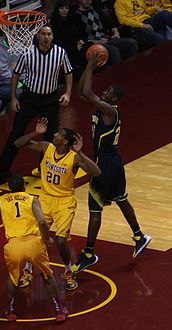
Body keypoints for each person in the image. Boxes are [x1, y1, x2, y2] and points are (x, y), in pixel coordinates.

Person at [72, 53, 152, 273]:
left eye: (108, 92)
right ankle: (139, 236)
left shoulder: (110, 110)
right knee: (121, 198)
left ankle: (88, 253)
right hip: (113, 161)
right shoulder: (103, 106)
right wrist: (89, 69)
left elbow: (87, 93)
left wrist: (89, 64)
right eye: (104, 90)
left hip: (105, 164)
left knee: (95, 209)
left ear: (114, 99)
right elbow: (82, 92)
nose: (104, 92)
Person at [14, 118, 101, 290]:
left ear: (66, 142)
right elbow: (18, 144)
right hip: (45, 199)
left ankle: (68, 271)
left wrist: (81, 153)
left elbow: (97, 172)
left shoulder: (74, 158)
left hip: (64, 203)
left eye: (59, 134)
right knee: (34, 238)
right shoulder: (47, 147)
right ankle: (27, 270)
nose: (54, 134)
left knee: (61, 241)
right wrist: (35, 133)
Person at [0, 174, 68, 323]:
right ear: (24, 187)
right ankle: (59, 310)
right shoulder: (31, 199)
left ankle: (10, 310)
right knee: (47, 275)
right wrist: (47, 238)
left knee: (13, 277)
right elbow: (41, 221)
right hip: (34, 243)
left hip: (13, 246)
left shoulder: (0, 202)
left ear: (9, 189)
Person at [0, 25, 73, 184]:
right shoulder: (28, 52)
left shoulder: (60, 52)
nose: (46, 37)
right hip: (29, 98)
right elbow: (15, 75)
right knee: (16, 133)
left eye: (49, 34)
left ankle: (45, 168)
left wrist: (68, 93)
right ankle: (4, 169)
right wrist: (14, 97)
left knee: (51, 136)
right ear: (38, 36)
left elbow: (68, 72)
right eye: (43, 34)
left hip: (50, 99)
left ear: (52, 36)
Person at [73, 0, 138, 66]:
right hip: (92, 43)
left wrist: (116, 32)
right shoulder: (76, 16)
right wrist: (97, 42)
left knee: (132, 43)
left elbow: (109, 23)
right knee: (113, 51)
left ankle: (131, 67)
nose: (88, 1)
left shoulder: (96, 10)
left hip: (106, 38)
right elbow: (79, 37)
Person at [50, 0, 94, 79]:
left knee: (90, 46)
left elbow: (78, 33)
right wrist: (75, 48)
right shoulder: (54, 24)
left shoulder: (71, 19)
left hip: (77, 45)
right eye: (61, 8)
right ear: (57, 9)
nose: (64, 10)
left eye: (66, 8)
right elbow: (58, 44)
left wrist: (81, 40)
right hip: (67, 51)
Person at [0, 33, 23, 108]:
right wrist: (18, 83)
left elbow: (23, 67)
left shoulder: (19, 47)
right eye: (11, 35)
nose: (13, 38)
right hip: (1, 84)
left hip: (17, 81)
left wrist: (25, 80)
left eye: (14, 35)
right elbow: (3, 75)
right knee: (20, 92)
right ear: (4, 35)